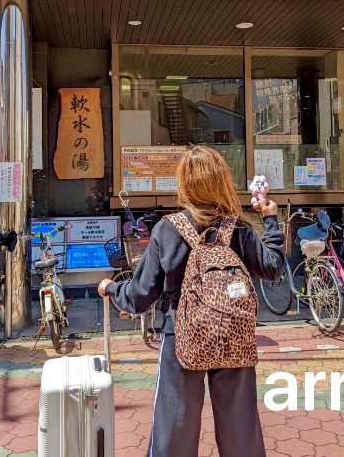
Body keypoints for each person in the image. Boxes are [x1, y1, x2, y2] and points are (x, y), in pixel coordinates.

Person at [98, 146, 285, 457]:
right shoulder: (237, 227)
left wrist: (111, 289)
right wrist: (271, 219)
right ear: (222, 181)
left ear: (184, 183)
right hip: (233, 334)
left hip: (180, 336)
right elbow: (273, 268)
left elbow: (140, 296)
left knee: (175, 425)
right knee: (241, 426)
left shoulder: (167, 230)